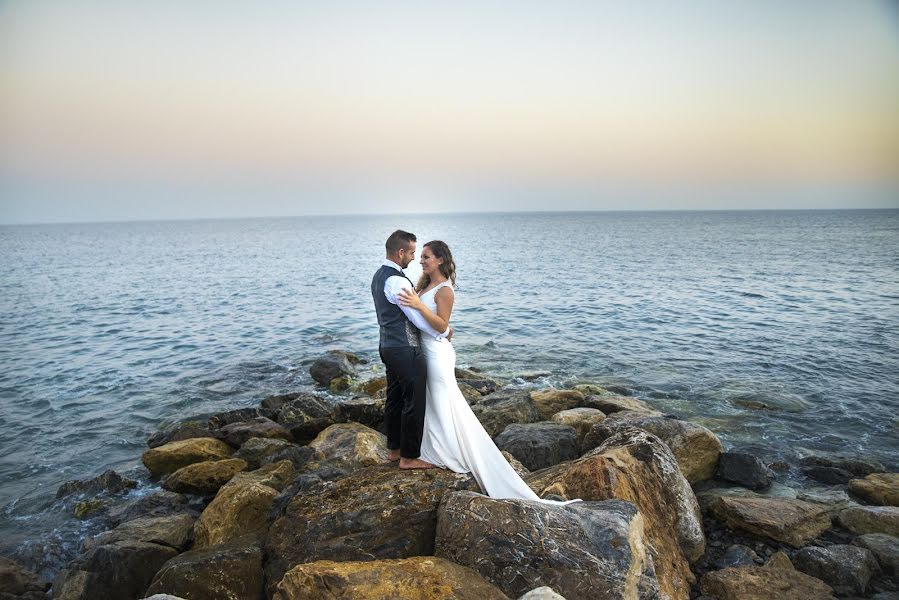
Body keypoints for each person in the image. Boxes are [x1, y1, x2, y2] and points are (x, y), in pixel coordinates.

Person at [397, 241, 578, 504]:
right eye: (421, 256)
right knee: (432, 402)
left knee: (443, 400)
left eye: (426, 257)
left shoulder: (445, 290)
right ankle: (432, 447)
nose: (421, 261)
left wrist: (419, 306)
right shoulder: (423, 285)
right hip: (423, 351)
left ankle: (450, 451)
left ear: (440, 260)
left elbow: (440, 326)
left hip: (437, 354)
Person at [371, 230, 450, 470]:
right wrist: (444, 332)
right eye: (413, 252)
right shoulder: (397, 280)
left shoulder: (379, 276)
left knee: (394, 398)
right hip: (406, 349)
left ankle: (394, 450)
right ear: (400, 252)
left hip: (387, 345)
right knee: (413, 401)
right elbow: (417, 319)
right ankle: (409, 457)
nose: (414, 258)